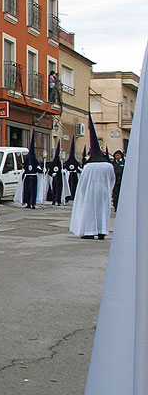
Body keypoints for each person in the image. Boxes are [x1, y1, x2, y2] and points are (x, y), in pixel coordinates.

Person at [83, 43, 147, 395]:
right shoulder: (107, 166)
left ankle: (94, 229)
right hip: (105, 204)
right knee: (100, 221)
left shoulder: (97, 166)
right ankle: (97, 231)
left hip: (99, 201)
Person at [70, 115, 115, 240]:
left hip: (91, 192)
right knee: (102, 210)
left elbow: (83, 182)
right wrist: (108, 189)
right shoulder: (108, 165)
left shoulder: (89, 166)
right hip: (104, 191)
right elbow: (112, 180)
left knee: (90, 211)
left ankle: (90, 231)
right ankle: (102, 231)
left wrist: (81, 193)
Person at [14, 132, 44, 209]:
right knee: (29, 191)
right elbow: (38, 169)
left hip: (30, 177)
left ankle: (30, 203)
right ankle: (30, 203)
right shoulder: (34, 160)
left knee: (30, 191)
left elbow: (25, 168)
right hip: (30, 177)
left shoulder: (29, 159)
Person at [47, 141, 70, 205]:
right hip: (54, 179)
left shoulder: (60, 163)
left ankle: (59, 201)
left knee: (59, 190)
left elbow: (63, 170)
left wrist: (62, 171)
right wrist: (52, 174)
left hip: (59, 178)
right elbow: (50, 171)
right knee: (54, 189)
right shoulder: (53, 163)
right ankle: (54, 200)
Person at [63, 137, 81, 202]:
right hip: (69, 175)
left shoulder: (76, 162)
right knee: (69, 185)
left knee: (74, 186)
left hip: (74, 175)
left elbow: (78, 169)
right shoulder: (68, 162)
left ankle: (73, 195)